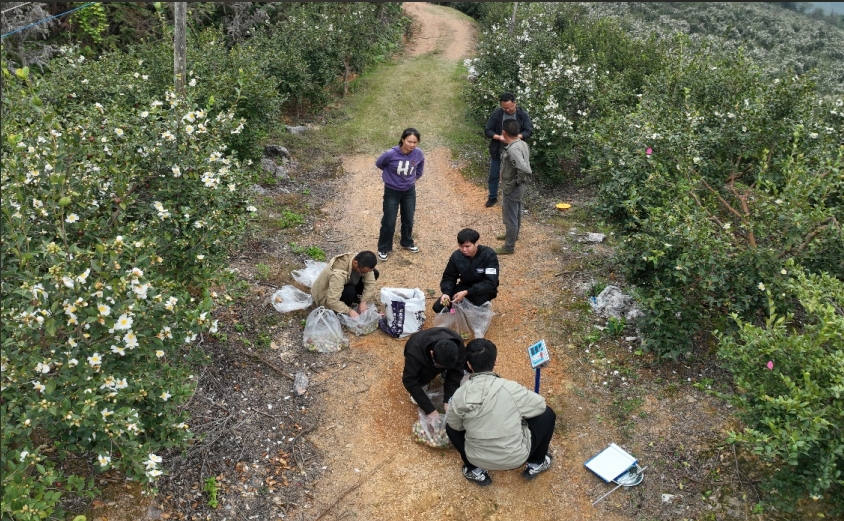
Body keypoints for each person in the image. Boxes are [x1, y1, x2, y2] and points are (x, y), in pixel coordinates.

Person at [445, 339, 556, 486]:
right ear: (495, 361)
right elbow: (540, 406)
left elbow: (455, 425)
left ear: (469, 365)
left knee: (450, 426)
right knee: (548, 414)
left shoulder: (460, 394)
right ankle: (536, 463)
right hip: (516, 458)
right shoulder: (511, 389)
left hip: (476, 457)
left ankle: (474, 470)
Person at [376, 128, 425, 261]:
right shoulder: (390, 154)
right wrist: (391, 178)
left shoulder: (418, 153)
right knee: (389, 220)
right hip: (392, 191)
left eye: (415, 142)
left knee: (408, 218)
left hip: (409, 191)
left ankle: (407, 242)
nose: (412, 145)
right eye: (409, 141)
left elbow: (420, 166)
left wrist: (415, 178)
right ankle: (384, 248)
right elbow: (379, 163)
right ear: (403, 139)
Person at [401, 327, 466, 422]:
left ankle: (444, 374)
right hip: (422, 359)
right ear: (431, 353)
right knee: (426, 374)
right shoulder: (414, 353)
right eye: (438, 365)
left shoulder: (457, 344)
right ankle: (423, 383)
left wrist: (448, 399)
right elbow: (409, 381)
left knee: (455, 371)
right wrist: (429, 410)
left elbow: (456, 373)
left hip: (441, 358)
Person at [483, 92, 532, 207]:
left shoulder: (522, 115)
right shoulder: (497, 114)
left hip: (515, 152)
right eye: (504, 108)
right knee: (494, 174)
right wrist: (499, 137)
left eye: (509, 108)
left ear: (515, 103)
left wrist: (514, 138)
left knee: (515, 176)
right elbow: (488, 130)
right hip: (498, 150)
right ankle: (492, 196)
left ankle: (514, 198)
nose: (507, 110)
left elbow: (529, 130)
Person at [433, 228, 498, 314]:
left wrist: (467, 292)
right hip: (465, 285)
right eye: (461, 246)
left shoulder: (489, 255)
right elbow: (448, 277)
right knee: (438, 307)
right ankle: (456, 313)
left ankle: (480, 309)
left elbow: (490, 282)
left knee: (475, 304)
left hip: (484, 289)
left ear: (476, 243)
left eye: (467, 246)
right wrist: (446, 293)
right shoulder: (456, 256)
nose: (464, 250)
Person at [495, 118, 532, 255]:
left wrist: (516, 181)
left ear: (504, 132)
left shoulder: (513, 149)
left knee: (510, 216)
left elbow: (524, 168)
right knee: (515, 212)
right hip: (515, 186)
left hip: (513, 187)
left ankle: (509, 247)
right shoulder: (522, 144)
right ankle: (513, 235)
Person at [310, 251, 378, 318]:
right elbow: (332, 301)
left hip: (343, 284)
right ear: (355, 263)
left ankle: (352, 299)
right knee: (349, 291)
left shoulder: (360, 261)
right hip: (324, 297)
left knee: (375, 273)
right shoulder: (338, 274)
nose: (364, 273)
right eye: (363, 272)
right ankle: (341, 309)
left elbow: (370, 283)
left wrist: (363, 301)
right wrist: (349, 311)